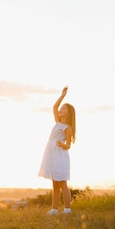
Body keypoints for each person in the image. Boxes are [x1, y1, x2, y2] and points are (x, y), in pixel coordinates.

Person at [38, 86, 76, 215]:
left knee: (62, 183)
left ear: (69, 113)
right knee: (55, 184)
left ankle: (67, 209)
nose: (60, 109)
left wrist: (61, 144)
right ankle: (54, 209)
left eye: (64, 108)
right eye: (62, 107)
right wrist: (62, 95)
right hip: (52, 155)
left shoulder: (67, 127)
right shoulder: (58, 122)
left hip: (60, 156)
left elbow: (69, 145)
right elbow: (54, 107)